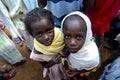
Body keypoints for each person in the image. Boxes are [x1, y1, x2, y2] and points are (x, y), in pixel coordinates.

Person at [24, 8, 67, 80]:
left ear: (53, 26)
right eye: (39, 34)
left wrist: (67, 51)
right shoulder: (38, 51)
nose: (46, 37)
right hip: (56, 70)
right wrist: (53, 62)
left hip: (68, 65)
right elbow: (45, 66)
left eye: (49, 30)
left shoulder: (62, 35)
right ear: (32, 35)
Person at [61, 11, 100, 79]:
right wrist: (67, 52)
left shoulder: (92, 57)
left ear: (87, 36)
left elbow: (92, 68)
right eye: (67, 36)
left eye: (79, 37)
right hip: (71, 66)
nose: (72, 42)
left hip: (81, 71)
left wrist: (77, 72)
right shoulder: (64, 44)